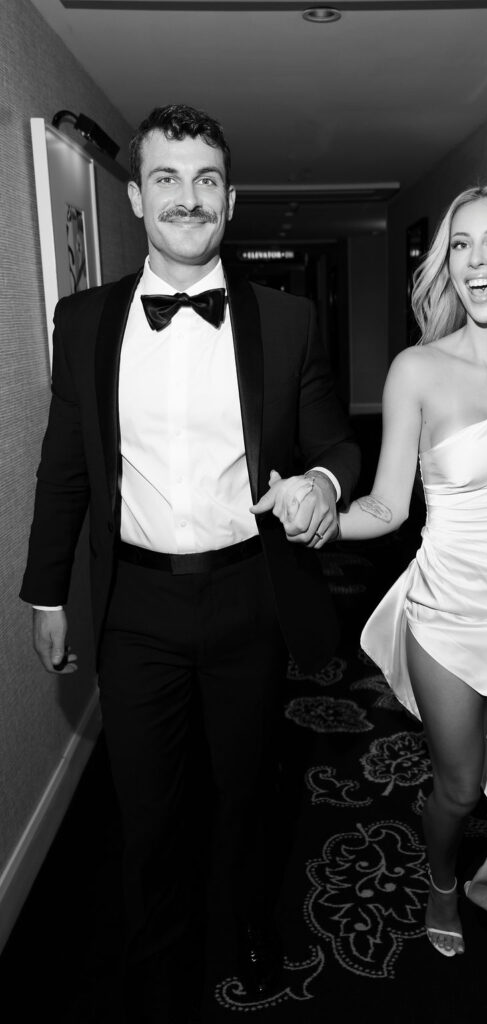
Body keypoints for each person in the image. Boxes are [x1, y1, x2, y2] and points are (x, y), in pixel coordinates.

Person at [21, 103, 359, 1023]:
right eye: (166, 178)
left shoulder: (286, 322)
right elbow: (63, 469)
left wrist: (325, 483)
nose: (188, 197)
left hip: (250, 593)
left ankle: (250, 922)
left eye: (206, 180)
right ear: (133, 196)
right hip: (134, 605)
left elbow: (339, 445)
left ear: (231, 198)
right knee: (148, 806)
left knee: (249, 789)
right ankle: (159, 955)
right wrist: (46, 590)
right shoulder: (83, 320)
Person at [257, 182, 487, 1024]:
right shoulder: (417, 368)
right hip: (446, 618)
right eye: (460, 244)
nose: (476, 260)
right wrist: (315, 522)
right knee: (458, 788)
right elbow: (387, 508)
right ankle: (442, 881)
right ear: (445, 263)